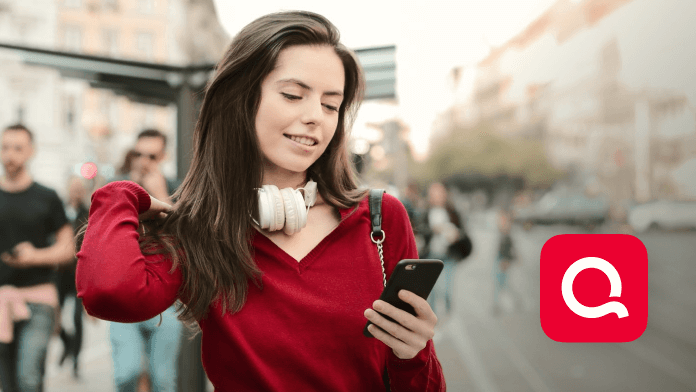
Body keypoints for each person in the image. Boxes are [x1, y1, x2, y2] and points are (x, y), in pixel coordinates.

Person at [75, 11, 445, 391]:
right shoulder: (197, 231)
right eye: (292, 95)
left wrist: (412, 353)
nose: (315, 117)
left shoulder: (380, 221)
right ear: (241, 100)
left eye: (331, 105)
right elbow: (108, 293)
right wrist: (119, 194)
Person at [0, 123, 76, 392]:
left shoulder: (47, 196)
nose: (10, 155)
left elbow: (68, 249)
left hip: (39, 300)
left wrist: (34, 256)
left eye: (18, 148)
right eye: (5, 147)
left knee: (29, 378)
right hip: (0, 301)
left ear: (31, 151)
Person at [107, 130, 183, 392]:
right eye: (138, 154)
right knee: (126, 374)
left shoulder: (175, 188)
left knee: (162, 379)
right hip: (123, 295)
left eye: (151, 155)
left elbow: (185, 240)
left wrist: (162, 196)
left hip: (165, 299)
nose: (143, 161)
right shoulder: (118, 187)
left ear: (163, 157)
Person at [55, 176, 90, 379]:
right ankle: (66, 342)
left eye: (79, 188)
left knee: (78, 318)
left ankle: (76, 361)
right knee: (53, 318)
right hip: (60, 275)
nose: (76, 192)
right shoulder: (59, 211)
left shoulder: (88, 214)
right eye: (73, 188)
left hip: (79, 274)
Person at [423, 182, 462, 319]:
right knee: (432, 291)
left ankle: (447, 313)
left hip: (448, 255)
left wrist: (456, 235)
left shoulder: (452, 211)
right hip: (431, 256)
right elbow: (420, 230)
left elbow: (462, 231)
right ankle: (433, 320)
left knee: (446, 290)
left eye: (440, 193)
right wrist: (433, 230)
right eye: (434, 194)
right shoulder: (426, 211)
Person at [492, 208, 518, 315]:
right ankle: (497, 304)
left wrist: (506, 261)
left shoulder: (507, 236)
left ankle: (502, 304)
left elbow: (509, 250)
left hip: (502, 261)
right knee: (500, 284)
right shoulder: (503, 234)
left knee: (503, 284)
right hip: (499, 260)